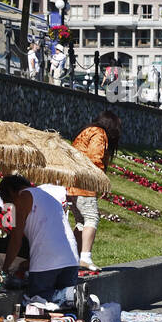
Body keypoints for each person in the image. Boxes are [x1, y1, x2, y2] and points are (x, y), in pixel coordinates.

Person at [0, 174, 80, 302]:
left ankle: (71, 295)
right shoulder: (48, 197)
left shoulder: (22, 197)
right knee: (68, 307)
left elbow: (15, 239)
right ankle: (75, 296)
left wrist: (5, 269)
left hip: (46, 261)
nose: (11, 208)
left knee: (37, 299)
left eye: (10, 202)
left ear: (10, 192)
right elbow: (48, 232)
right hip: (71, 258)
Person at [66, 110, 121, 271]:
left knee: (81, 222)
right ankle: (85, 257)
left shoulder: (85, 132)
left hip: (71, 183)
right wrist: (100, 181)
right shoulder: (99, 133)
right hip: (85, 183)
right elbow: (95, 158)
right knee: (91, 218)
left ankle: (75, 257)